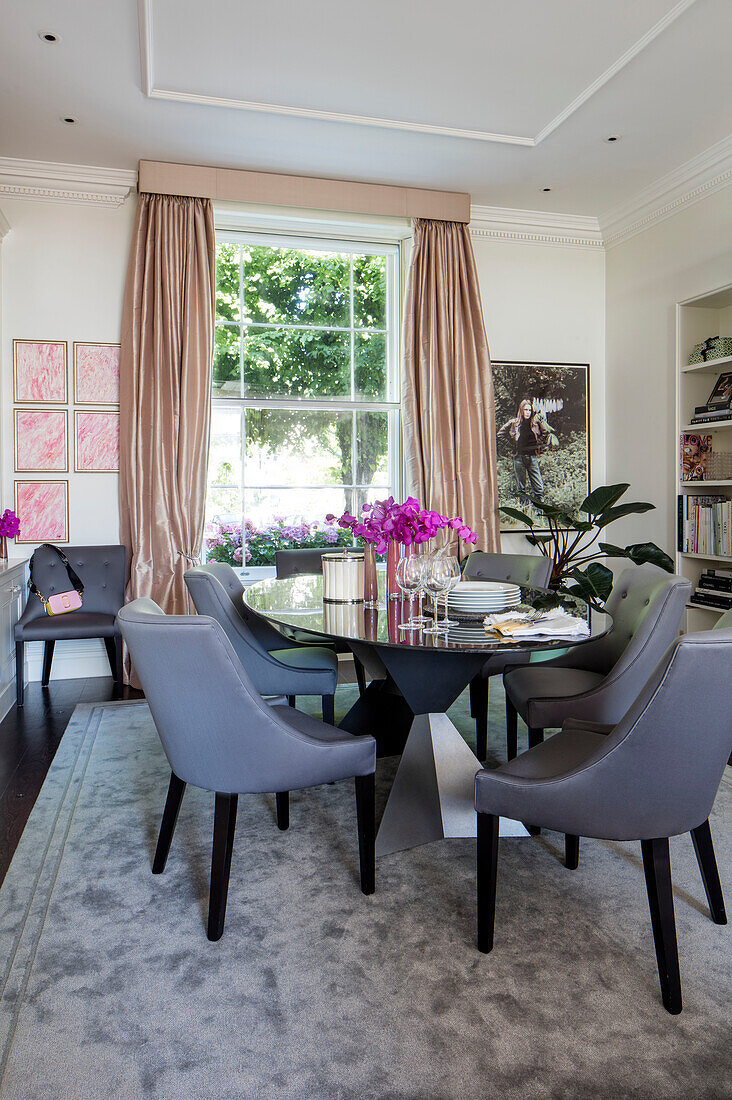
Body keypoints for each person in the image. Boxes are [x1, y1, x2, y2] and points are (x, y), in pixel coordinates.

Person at [498, 399, 556, 503]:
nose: (528, 412)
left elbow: (545, 433)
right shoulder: (514, 423)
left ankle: (540, 512)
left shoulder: (535, 423)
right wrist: (512, 446)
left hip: (532, 457)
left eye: (529, 410)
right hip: (519, 458)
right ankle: (524, 512)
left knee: (538, 488)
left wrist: (537, 445)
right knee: (521, 488)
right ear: (521, 410)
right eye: (525, 409)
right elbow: (500, 434)